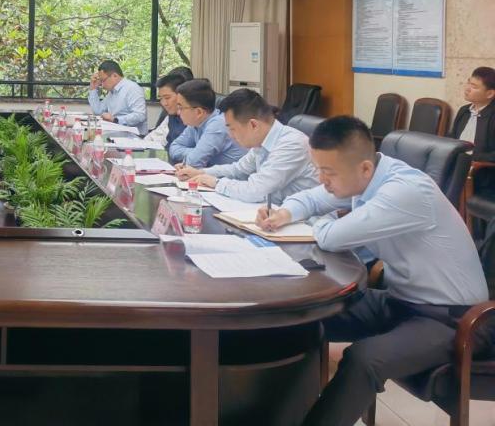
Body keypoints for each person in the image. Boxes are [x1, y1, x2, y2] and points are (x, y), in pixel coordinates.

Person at [257, 116, 489, 426]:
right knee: (303, 318)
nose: (321, 179)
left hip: (451, 319)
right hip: (400, 301)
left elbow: (331, 236)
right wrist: (286, 212)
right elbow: (313, 197)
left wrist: (319, 219)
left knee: (363, 360)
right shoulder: (364, 175)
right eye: (318, 169)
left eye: (328, 172)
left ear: (365, 168)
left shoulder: (404, 191)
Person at [176, 88, 318, 204]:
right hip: (273, 214)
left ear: (253, 125)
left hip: (304, 223)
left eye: (232, 129)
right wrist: (201, 173)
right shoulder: (261, 142)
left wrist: (216, 183)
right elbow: (238, 169)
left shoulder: (291, 144)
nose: (231, 135)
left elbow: (256, 190)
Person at [168, 78, 245, 168]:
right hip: (211, 174)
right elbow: (174, 147)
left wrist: (196, 155)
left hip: (235, 176)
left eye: (181, 108)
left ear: (199, 112)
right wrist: (196, 152)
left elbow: (193, 162)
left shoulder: (218, 125)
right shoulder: (195, 123)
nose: (178, 112)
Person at [86, 60, 148, 134]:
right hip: (115, 132)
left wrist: (116, 119)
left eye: (103, 80)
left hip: (133, 136)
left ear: (114, 76)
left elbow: (140, 115)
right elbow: (98, 111)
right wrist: (93, 88)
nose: (102, 85)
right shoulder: (112, 92)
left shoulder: (132, 88)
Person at [449, 65, 495, 162]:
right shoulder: (464, 110)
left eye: (474, 87)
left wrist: (470, 159)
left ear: (490, 94)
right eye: (468, 83)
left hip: (480, 168)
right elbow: (452, 138)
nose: (467, 89)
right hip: (457, 163)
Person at [146, 71, 188, 147]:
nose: (163, 103)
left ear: (181, 95)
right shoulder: (171, 116)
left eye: (167, 98)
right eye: (161, 98)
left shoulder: (192, 119)